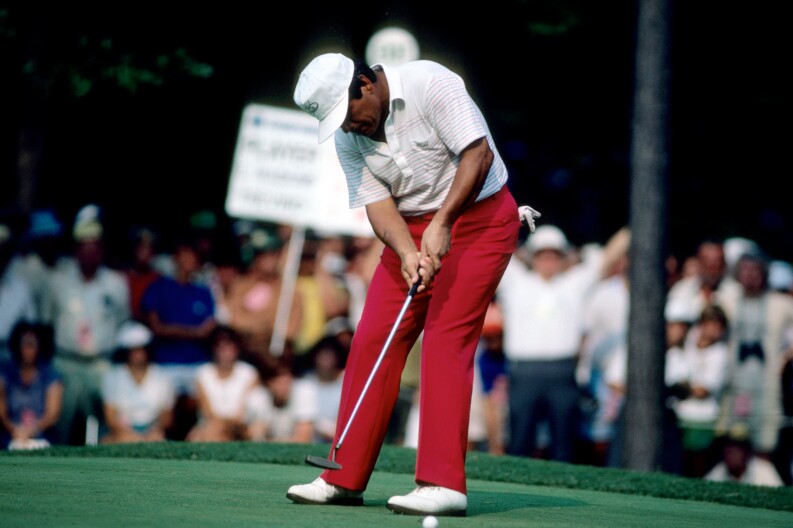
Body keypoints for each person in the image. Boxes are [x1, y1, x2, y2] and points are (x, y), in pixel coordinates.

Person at [286, 52, 534, 517]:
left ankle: (443, 484)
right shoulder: (348, 137)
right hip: (411, 229)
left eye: (346, 114)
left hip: (481, 218)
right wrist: (405, 251)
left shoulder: (430, 83)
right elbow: (378, 205)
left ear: (364, 83)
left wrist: (442, 224)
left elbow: (477, 154)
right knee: (372, 339)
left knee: (444, 338)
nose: (346, 127)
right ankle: (342, 477)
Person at [186, 325, 268, 442]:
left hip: (240, 427)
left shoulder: (249, 373)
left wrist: (229, 426)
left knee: (257, 430)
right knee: (199, 435)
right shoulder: (202, 374)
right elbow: (207, 412)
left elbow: (243, 412)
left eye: (229, 346)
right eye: (220, 346)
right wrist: (220, 427)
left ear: (237, 348)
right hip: (212, 425)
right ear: (213, 349)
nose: (225, 351)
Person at [100, 320, 174, 444]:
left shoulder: (162, 377)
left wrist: (154, 431)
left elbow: (166, 416)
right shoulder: (113, 377)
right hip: (123, 433)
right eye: (134, 350)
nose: (138, 354)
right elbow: (111, 416)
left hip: (153, 433)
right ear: (126, 352)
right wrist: (128, 434)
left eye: (142, 349)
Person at [0, 321, 62, 450]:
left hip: (41, 434)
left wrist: (30, 430)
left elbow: (52, 415)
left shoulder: (50, 375)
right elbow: (2, 412)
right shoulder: (5, 373)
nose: (27, 350)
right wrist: (15, 430)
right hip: (10, 433)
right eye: (24, 344)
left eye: (31, 345)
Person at [705, 423, 784, 487]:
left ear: (747, 452)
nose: (730, 454)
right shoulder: (719, 470)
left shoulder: (765, 470)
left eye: (736, 450)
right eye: (728, 450)